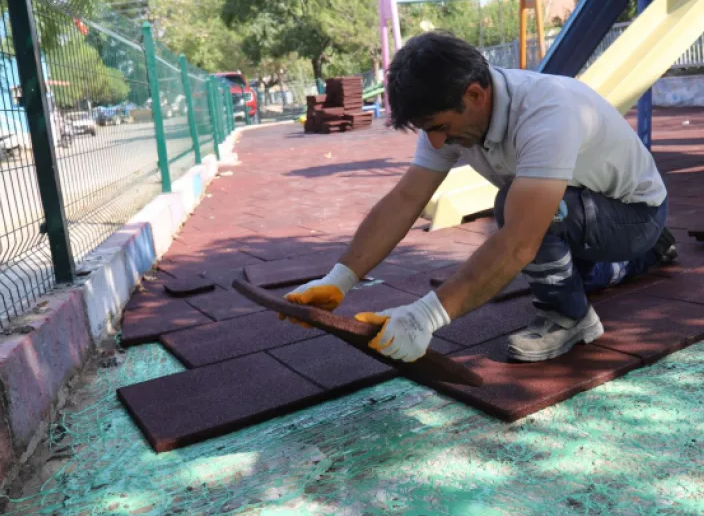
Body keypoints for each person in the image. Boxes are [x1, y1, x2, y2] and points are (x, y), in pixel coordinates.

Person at [282, 31, 675, 363]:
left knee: (521, 212)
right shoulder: (451, 115)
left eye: (439, 127)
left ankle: (570, 318)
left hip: (636, 216)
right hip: (594, 213)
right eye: (426, 130)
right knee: (560, 263)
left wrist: (425, 317)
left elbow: (520, 240)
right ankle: (648, 254)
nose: (436, 141)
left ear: (474, 94)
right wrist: (340, 279)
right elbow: (405, 200)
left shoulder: (547, 113)